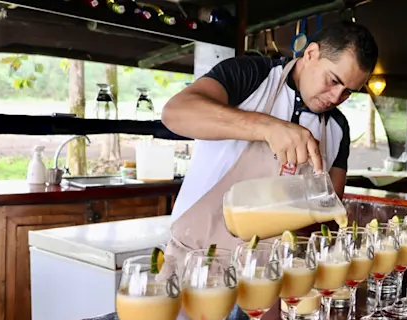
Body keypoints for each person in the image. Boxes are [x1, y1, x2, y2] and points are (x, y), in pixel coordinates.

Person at [160, 21, 378, 262]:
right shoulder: (252, 75)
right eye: (334, 81)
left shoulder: (337, 127)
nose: (336, 97)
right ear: (310, 54)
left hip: (271, 272)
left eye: (348, 91)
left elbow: (327, 215)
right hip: (196, 260)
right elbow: (175, 112)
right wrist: (267, 127)